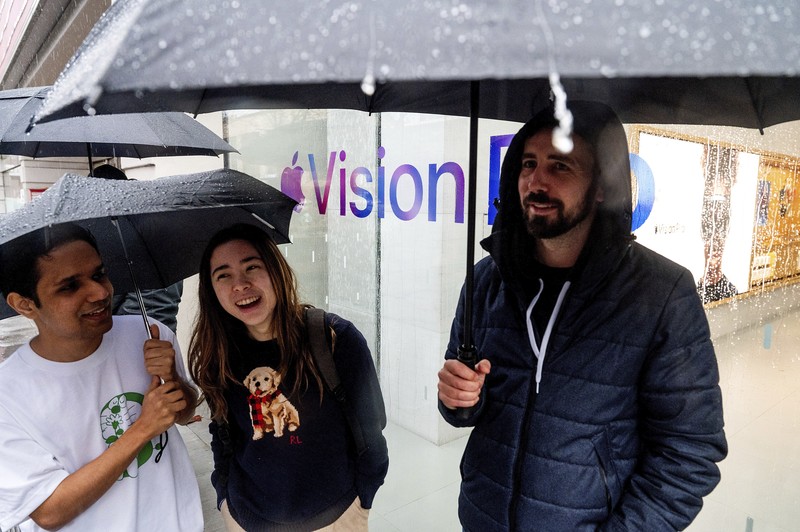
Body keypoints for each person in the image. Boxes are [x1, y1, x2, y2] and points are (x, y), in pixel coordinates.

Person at [437, 101, 727, 531]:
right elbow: (465, 406)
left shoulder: (661, 294)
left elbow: (689, 455)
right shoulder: (486, 279)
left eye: (560, 166)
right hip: (482, 518)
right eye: (529, 164)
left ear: (602, 187)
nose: (536, 181)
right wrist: (459, 399)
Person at [0, 223, 202, 531]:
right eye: (69, 286)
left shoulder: (147, 334)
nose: (101, 292)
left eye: (99, 275)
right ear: (24, 304)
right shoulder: (9, 394)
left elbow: (185, 415)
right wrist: (143, 428)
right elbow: (49, 512)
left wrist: (173, 380)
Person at [188, 223, 388, 531]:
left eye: (251, 267)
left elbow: (372, 430)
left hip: (337, 516)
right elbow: (223, 434)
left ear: (276, 270)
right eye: (223, 275)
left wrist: (363, 501)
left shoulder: (335, 339)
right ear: (211, 290)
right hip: (248, 519)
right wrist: (224, 496)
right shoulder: (220, 356)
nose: (240, 285)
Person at [92, 163, 184, 332]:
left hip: (141, 336)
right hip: (156, 332)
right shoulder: (147, 221)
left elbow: (147, 308)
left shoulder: (134, 232)